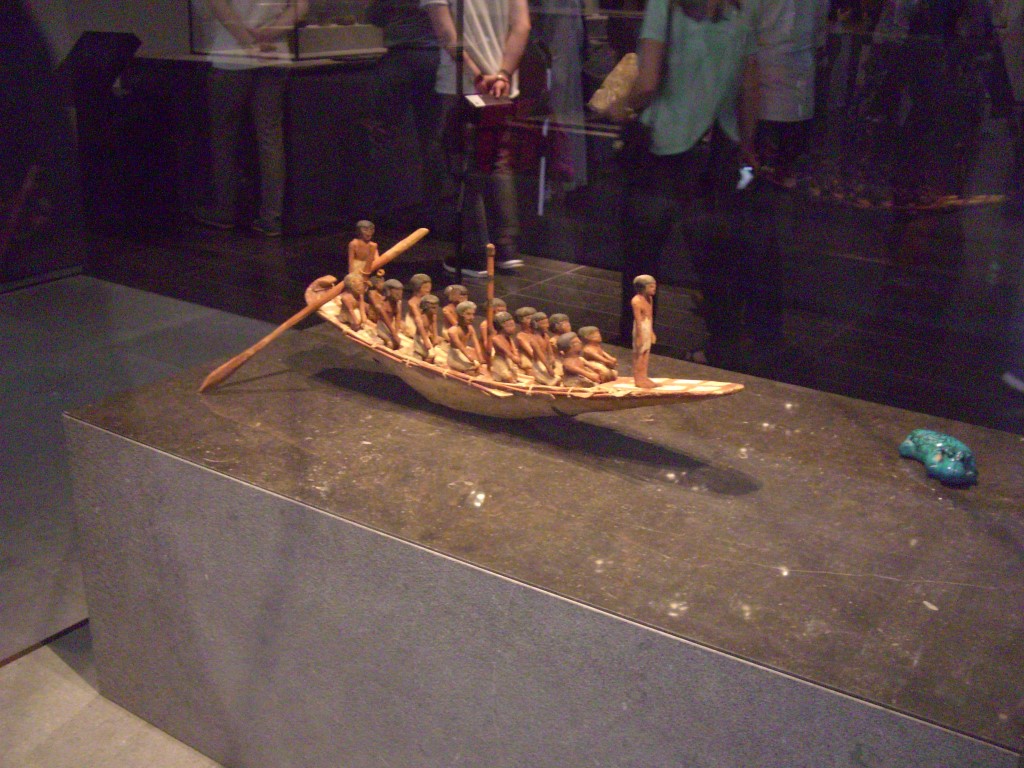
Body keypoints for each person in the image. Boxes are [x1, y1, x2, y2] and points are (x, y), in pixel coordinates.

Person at [609, 0, 761, 354]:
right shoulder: (742, 8)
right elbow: (750, 87)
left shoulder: (666, 5)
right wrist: (746, 143)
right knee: (713, 258)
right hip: (717, 144)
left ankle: (638, 343)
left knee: (642, 256)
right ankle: (723, 346)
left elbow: (647, 82)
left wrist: (622, 105)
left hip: (662, 148)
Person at [420, 0, 531, 277]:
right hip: (502, 86)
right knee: (497, 163)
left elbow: (447, 34)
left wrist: (477, 74)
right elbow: (522, 25)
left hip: (460, 85)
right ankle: (506, 249)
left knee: (464, 168)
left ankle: (476, 252)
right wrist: (503, 74)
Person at [192, 0, 309, 237]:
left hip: (232, 54)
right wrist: (268, 34)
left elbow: (219, 6)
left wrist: (247, 40)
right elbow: (300, 6)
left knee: (225, 137)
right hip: (274, 53)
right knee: (270, 137)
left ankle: (225, 210)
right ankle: (271, 217)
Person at [366, 0, 444, 224]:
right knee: (431, 138)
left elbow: (374, 16)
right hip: (432, 56)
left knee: (384, 135)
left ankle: (383, 207)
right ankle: (431, 210)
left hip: (398, 58)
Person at [631, 274, 657, 388]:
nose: (654, 289)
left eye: (654, 286)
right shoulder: (636, 301)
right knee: (639, 354)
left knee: (646, 354)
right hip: (640, 328)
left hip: (647, 326)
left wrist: (651, 332)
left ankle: (644, 377)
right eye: (651, 287)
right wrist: (639, 336)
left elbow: (650, 316)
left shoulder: (650, 299)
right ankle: (638, 379)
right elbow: (638, 320)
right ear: (643, 288)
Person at [447, 300, 486, 371]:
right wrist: (471, 359)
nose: (472, 317)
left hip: (464, 354)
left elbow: (476, 344)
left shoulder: (470, 328)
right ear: (460, 314)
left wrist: (481, 359)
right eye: (468, 314)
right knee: (473, 370)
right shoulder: (453, 331)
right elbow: (461, 348)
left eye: (473, 314)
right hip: (455, 357)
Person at [488, 310, 523, 381]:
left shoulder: (509, 338)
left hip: (507, 360)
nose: (514, 327)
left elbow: (513, 349)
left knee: (515, 375)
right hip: (499, 361)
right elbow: (506, 351)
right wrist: (513, 357)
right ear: (502, 326)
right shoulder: (496, 339)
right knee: (508, 377)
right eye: (510, 325)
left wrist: (516, 355)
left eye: (513, 325)